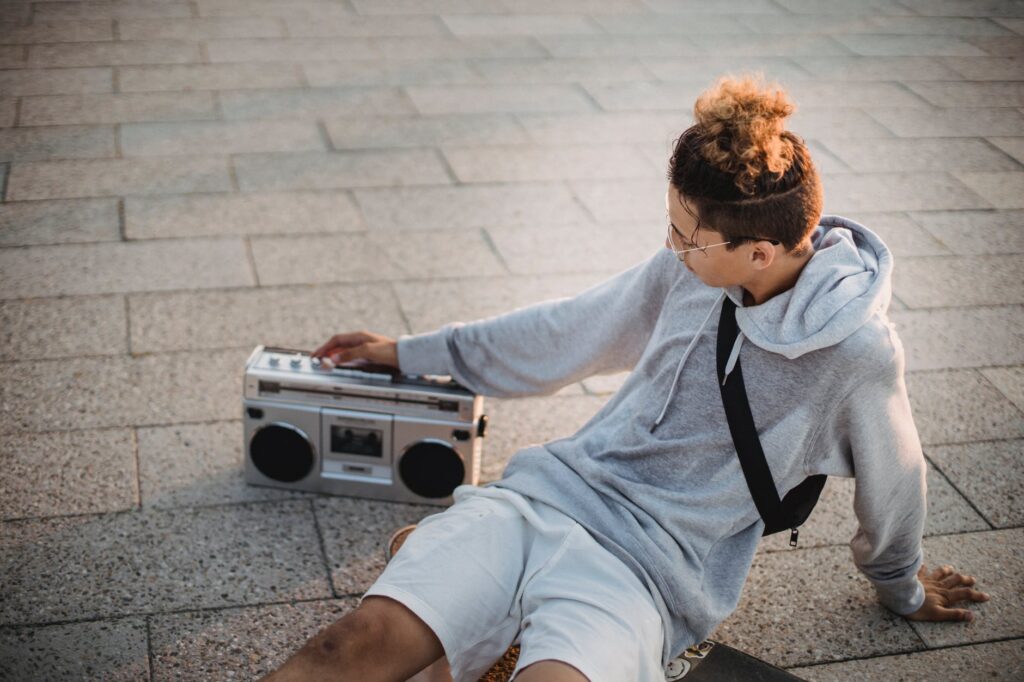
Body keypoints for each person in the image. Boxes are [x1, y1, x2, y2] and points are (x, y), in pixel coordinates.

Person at [261, 75, 990, 682]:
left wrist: (901, 586)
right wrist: (414, 351)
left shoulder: (859, 353)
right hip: (541, 502)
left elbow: (896, 484)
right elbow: (568, 331)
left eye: (687, 236)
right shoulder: (691, 273)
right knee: (346, 649)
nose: (671, 247)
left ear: (761, 252)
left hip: (647, 574)